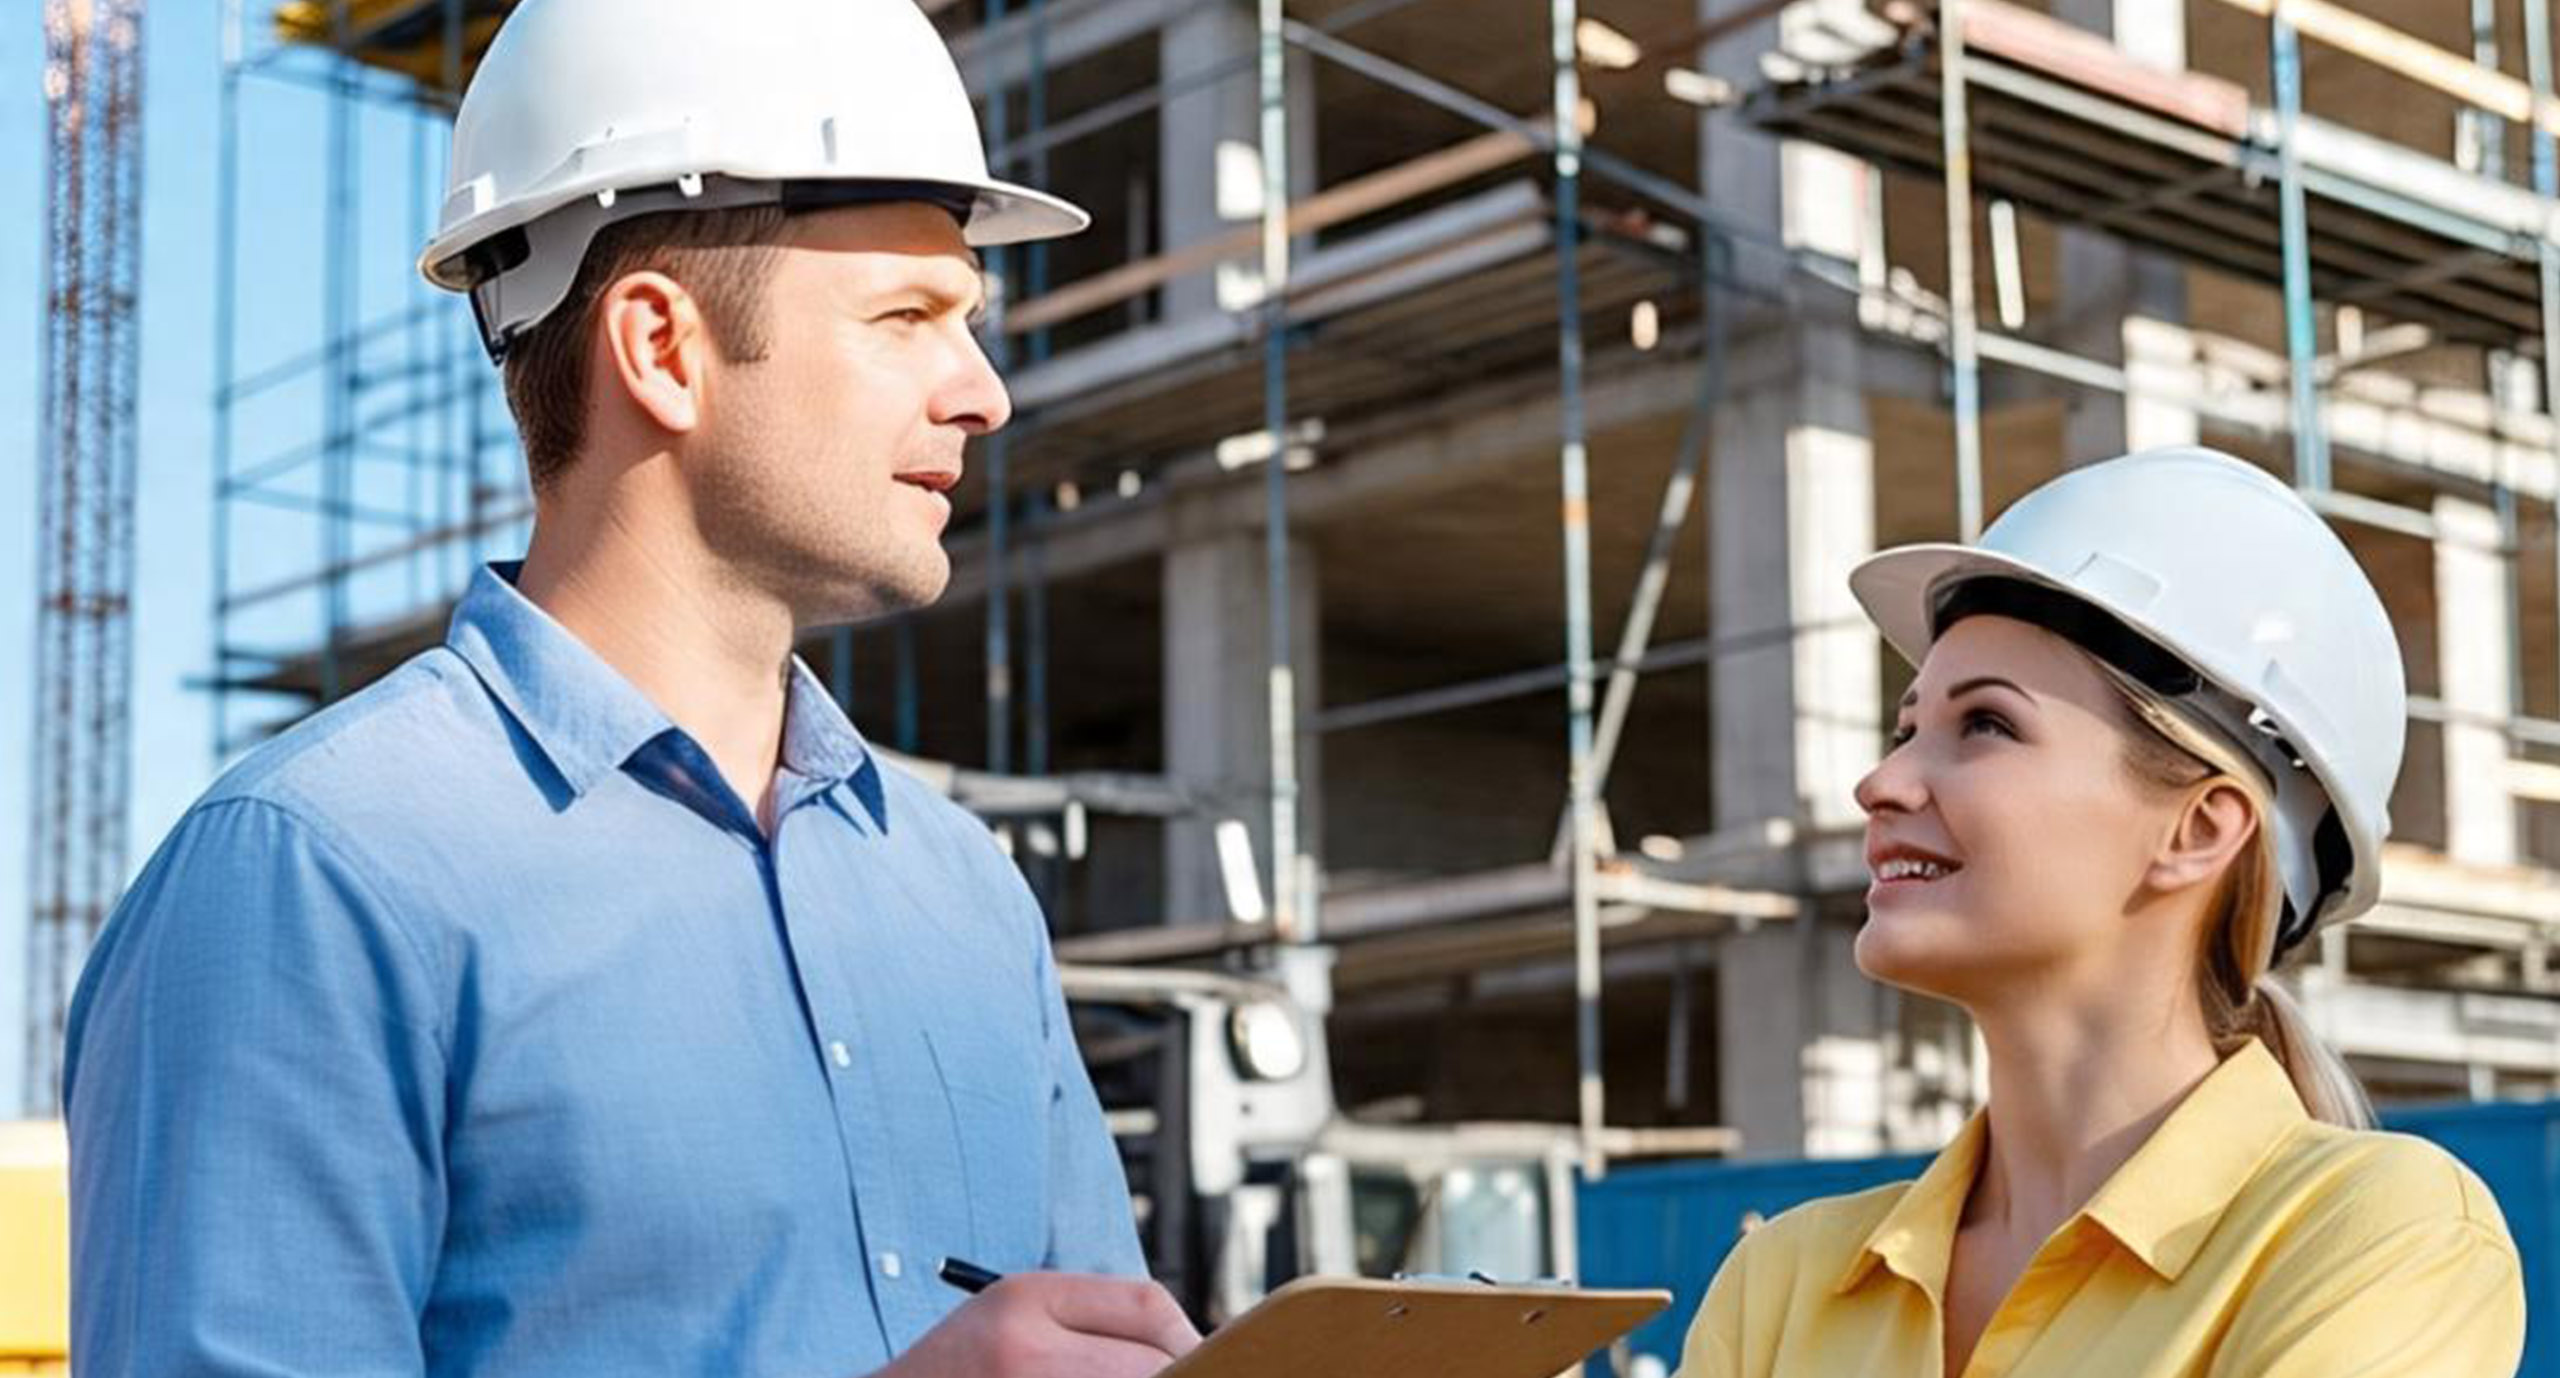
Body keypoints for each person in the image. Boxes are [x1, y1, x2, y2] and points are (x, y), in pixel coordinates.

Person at [63, 1, 1198, 1374]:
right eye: (908, 315)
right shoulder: (315, 879)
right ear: (661, 349)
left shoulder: (961, 893)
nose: (984, 392)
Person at [1676, 447, 2526, 1377]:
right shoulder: (1785, 1281)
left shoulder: (2376, 1239)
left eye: (1986, 725)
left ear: (2200, 829)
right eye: (1906, 728)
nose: (1881, 782)